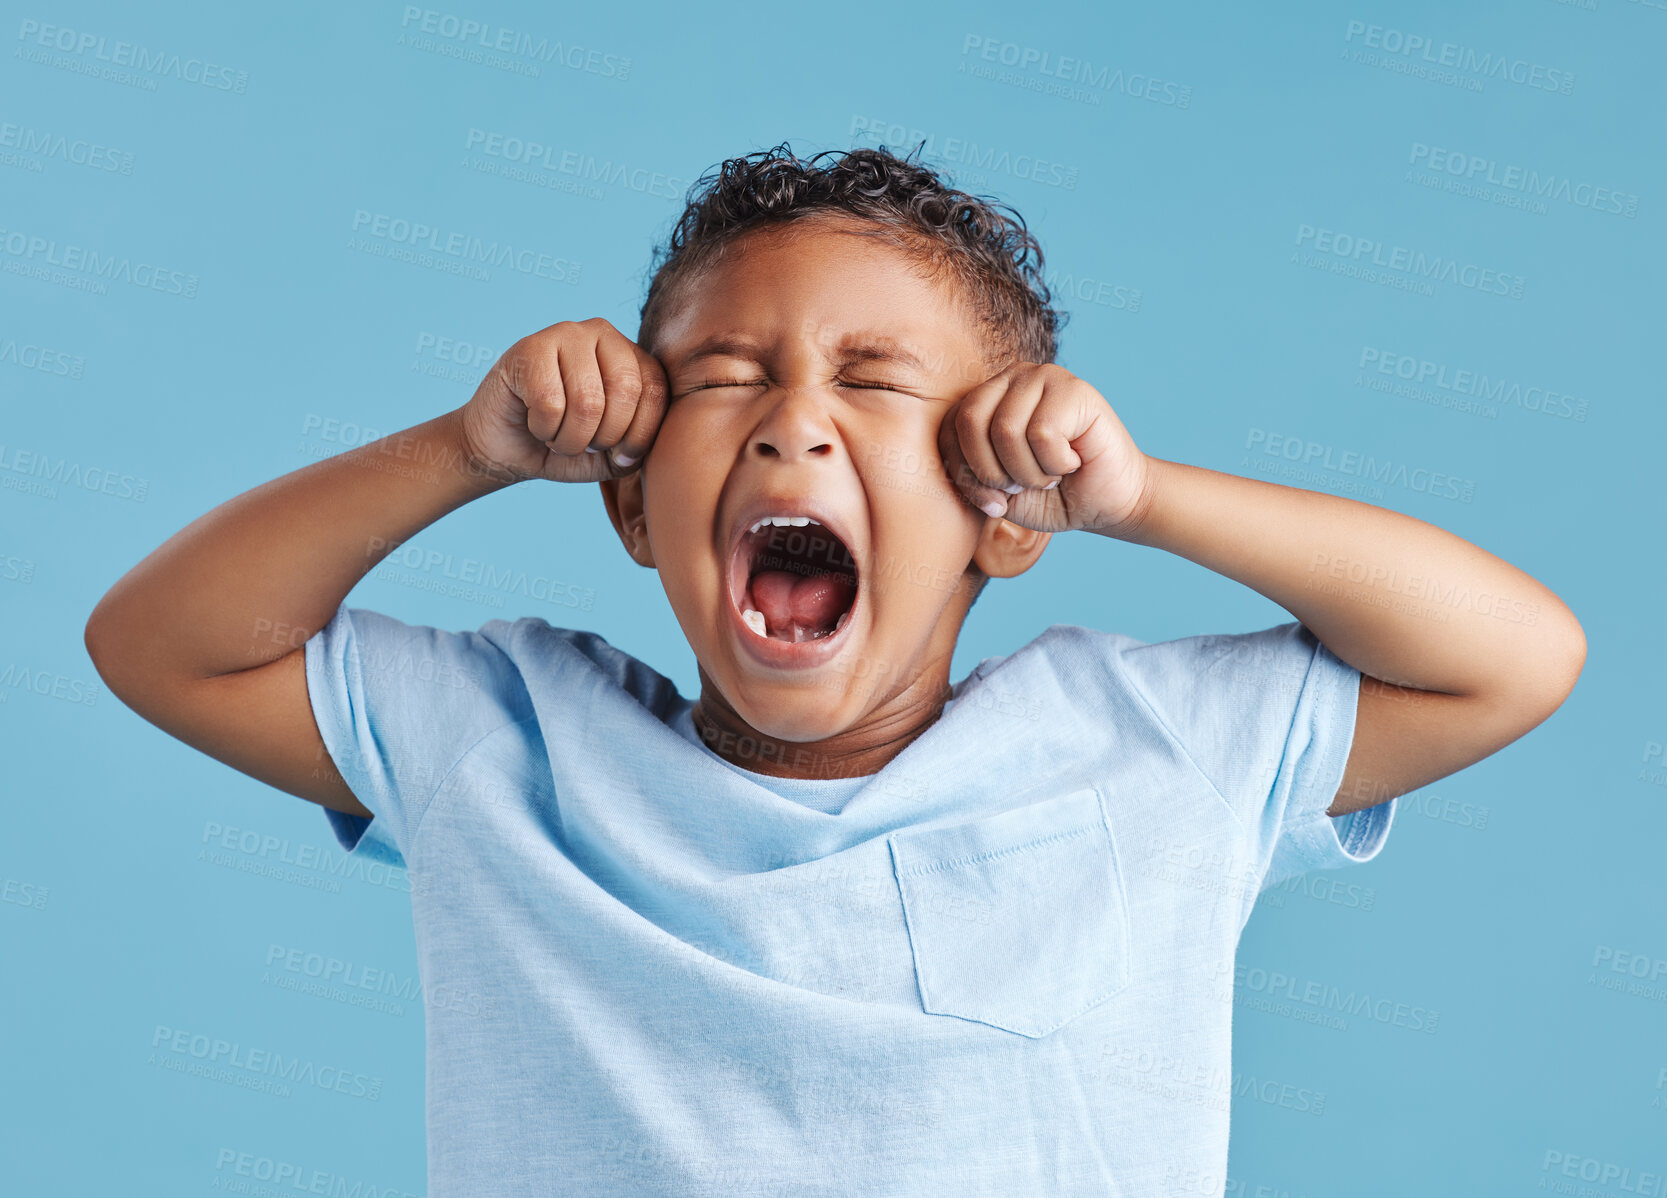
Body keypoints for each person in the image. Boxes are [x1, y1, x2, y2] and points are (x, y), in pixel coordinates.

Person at [84, 143, 1585, 1195]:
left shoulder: (1148, 744)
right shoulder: (506, 744)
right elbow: (160, 641)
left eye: (872, 382)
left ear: (1004, 515)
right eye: (727, 375)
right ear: (628, 496)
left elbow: (1513, 658)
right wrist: (468, 450)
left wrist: (1142, 496)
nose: (793, 422)